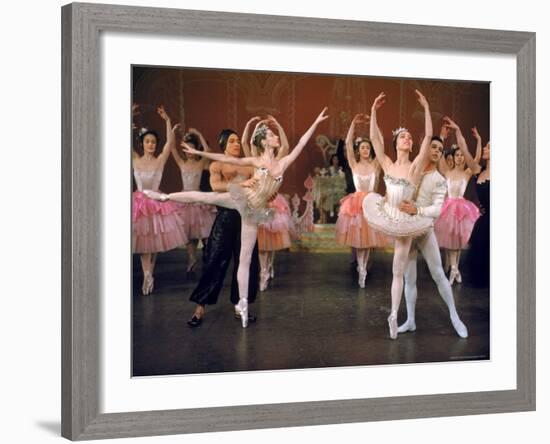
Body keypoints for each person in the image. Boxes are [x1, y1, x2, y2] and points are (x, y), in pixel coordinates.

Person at [146, 108, 329, 327]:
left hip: (254, 211)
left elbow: (299, 144)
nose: (275, 138)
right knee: (206, 197)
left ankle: (242, 304)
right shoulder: (255, 161)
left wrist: (316, 121)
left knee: (245, 260)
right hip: (240, 201)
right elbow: (220, 159)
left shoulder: (282, 162)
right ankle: (165, 197)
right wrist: (203, 154)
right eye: (271, 136)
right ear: (264, 142)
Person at [362, 90, 433, 339]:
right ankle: (397, 313)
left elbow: (428, 139)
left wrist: (425, 108)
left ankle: (393, 314)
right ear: (397, 142)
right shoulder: (388, 164)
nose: (407, 138)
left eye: (409, 137)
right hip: (387, 214)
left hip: (404, 221)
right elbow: (373, 138)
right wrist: (373, 111)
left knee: (397, 269)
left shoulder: (414, 168)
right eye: (403, 136)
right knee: (401, 269)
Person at [396, 135, 469, 338]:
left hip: (425, 229)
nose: (437, 151)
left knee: (438, 273)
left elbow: (437, 209)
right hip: (408, 230)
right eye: (433, 147)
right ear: (425, 148)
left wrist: (416, 210)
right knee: (409, 278)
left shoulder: (439, 179)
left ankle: (455, 317)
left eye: (440, 148)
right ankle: (410, 320)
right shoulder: (413, 169)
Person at [132, 105, 188, 295]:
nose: (151, 144)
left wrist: (167, 121)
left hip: (156, 203)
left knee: (154, 243)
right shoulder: (134, 159)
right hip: (139, 204)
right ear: (142, 143)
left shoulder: (160, 160)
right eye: (148, 141)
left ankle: (149, 273)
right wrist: (129, 116)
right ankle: (147, 274)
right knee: (143, 245)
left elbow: (169, 144)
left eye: (153, 142)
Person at [241, 116, 295, 291]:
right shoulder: (255, 159)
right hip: (258, 202)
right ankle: (263, 271)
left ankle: (268, 266)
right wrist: (252, 125)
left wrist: (278, 125)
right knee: (261, 241)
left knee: (271, 239)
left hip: (273, 201)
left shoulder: (276, 159)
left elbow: (286, 147)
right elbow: (245, 142)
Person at [335, 113, 387, 288]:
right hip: (356, 205)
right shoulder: (354, 164)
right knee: (359, 241)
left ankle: (363, 266)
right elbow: (348, 144)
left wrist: (376, 124)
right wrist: (353, 123)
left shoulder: (375, 165)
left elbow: (382, 144)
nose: (365, 150)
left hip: (371, 204)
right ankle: (361, 268)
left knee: (368, 242)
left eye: (368, 147)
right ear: (359, 150)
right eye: (363, 147)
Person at [434, 120, 482, 284]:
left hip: (461, 208)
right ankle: (454, 269)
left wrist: (479, 141)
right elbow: (439, 156)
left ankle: (455, 269)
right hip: (448, 207)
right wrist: (441, 137)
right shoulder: (447, 171)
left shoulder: (467, 172)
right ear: (453, 158)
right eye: (458, 155)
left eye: (462, 155)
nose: (460, 157)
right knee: (449, 240)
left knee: (458, 240)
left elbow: (475, 158)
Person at [171, 128, 217, 272]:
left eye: (192, 148)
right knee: (188, 233)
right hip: (185, 200)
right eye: (186, 148)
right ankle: (191, 258)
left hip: (197, 200)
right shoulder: (182, 163)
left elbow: (208, 150)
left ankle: (208, 257)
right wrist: (172, 132)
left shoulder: (200, 163)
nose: (189, 151)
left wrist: (199, 134)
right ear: (183, 150)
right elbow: (171, 148)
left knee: (204, 232)